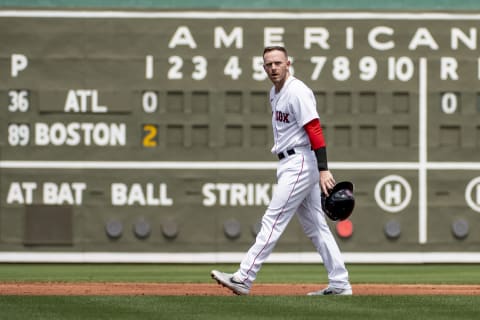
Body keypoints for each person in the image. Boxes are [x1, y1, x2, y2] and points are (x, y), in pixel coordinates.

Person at [211, 46, 352, 296]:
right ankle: (340, 283)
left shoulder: (297, 92)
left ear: (288, 63)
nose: (273, 68)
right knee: (317, 227)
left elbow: (315, 130)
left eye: (278, 63)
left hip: (299, 162)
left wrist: (323, 169)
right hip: (290, 162)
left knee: (272, 220)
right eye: (268, 64)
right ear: (264, 67)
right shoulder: (275, 93)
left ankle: (244, 277)